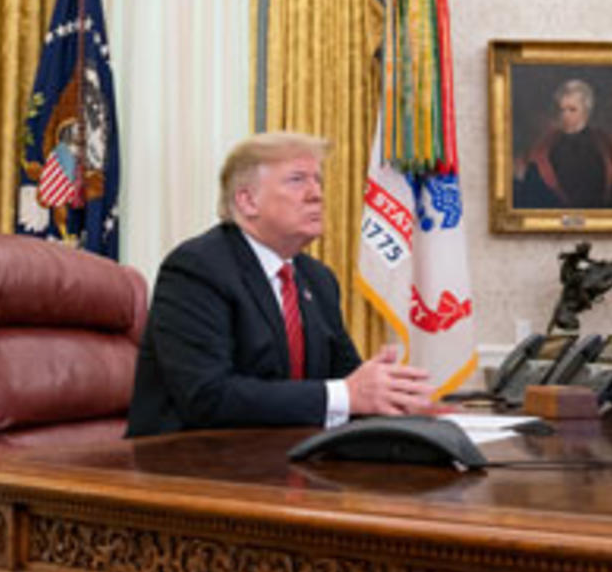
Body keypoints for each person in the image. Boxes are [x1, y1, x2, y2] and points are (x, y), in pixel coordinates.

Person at [126, 132, 434, 437]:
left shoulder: (318, 279)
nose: (317, 194)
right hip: (183, 466)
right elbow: (208, 397)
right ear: (247, 201)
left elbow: (345, 378)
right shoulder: (197, 268)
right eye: (298, 180)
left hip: (283, 458)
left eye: (318, 181)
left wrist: (390, 394)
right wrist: (346, 394)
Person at [513, 79, 612, 210]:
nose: (565, 115)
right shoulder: (544, 147)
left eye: (572, 110)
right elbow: (532, 194)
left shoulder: (603, 145)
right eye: (562, 110)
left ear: (587, 111)